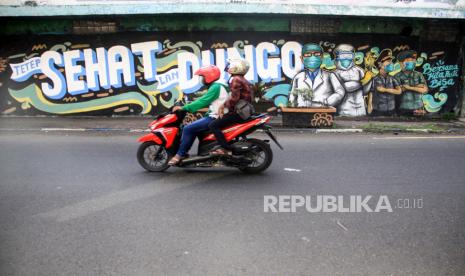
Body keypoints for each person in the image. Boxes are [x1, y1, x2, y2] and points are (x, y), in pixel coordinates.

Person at [168, 65, 228, 165]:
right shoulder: (219, 85)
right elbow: (205, 97)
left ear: (209, 76)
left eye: (203, 77)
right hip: (219, 115)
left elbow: (203, 101)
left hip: (215, 117)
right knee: (196, 128)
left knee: (188, 128)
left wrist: (184, 108)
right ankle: (203, 153)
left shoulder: (216, 87)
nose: (202, 79)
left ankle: (180, 154)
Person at [208, 59, 252, 155]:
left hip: (239, 112)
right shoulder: (241, 78)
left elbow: (234, 98)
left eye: (231, 66)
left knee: (213, 125)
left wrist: (222, 107)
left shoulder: (235, 79)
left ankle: (226, 148)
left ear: (237, 68)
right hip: (243, 110)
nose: (229, 67)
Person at [288, 43, 345, 108]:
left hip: (323, 113)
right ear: (302, 58)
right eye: (307, 54)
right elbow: (293, 96)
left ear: (322, 57)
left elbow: (340, 92)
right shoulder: (298, 77)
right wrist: (292, 109)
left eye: (316, 54)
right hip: (302, 112)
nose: (312, 57)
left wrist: (327, 102)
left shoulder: (330, 75)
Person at [333, 44, 367, 116]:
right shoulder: (335, 73)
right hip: (344, 109)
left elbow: (366, 89)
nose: (346, 58)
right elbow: (344, 87)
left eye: (349, 55)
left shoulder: (359, 70)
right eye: (343, 56)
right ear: (337, 57)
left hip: (361, 108)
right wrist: (361, 83)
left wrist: (367, 81)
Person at [393, 50, 428, 116]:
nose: (412, 62)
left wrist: (409, 87)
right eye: (409, 60)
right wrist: (418, 86)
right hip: (404, 109)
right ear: (401, 63)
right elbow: (399, 91)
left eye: (413, 60)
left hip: (419, 108)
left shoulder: (419, 75)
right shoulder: (397, 76)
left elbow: (425, 90)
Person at [369, 49, 402, 116]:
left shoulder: (392, 78)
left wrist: (385, 90)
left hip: (391, 110)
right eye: (388, 61)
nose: (391, 63)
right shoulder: (375, 79)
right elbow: (371, 93)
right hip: (378, 110)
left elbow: (399, 91)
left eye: (391, 61)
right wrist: (369, 106)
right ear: (380, 64)